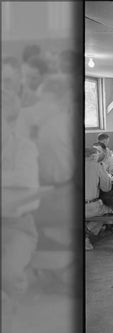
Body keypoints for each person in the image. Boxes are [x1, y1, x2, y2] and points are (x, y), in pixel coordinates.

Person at [1, 88, 40, 299]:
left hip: (17, 226)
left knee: (8, 274)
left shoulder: (24, 149)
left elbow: (26, 185)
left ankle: (12, 313)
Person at [85, 147, 113, 250]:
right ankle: (87, 231)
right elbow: (106, 188)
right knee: (110, 211)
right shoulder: (97, 166)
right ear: (93, 157)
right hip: (91, 207)